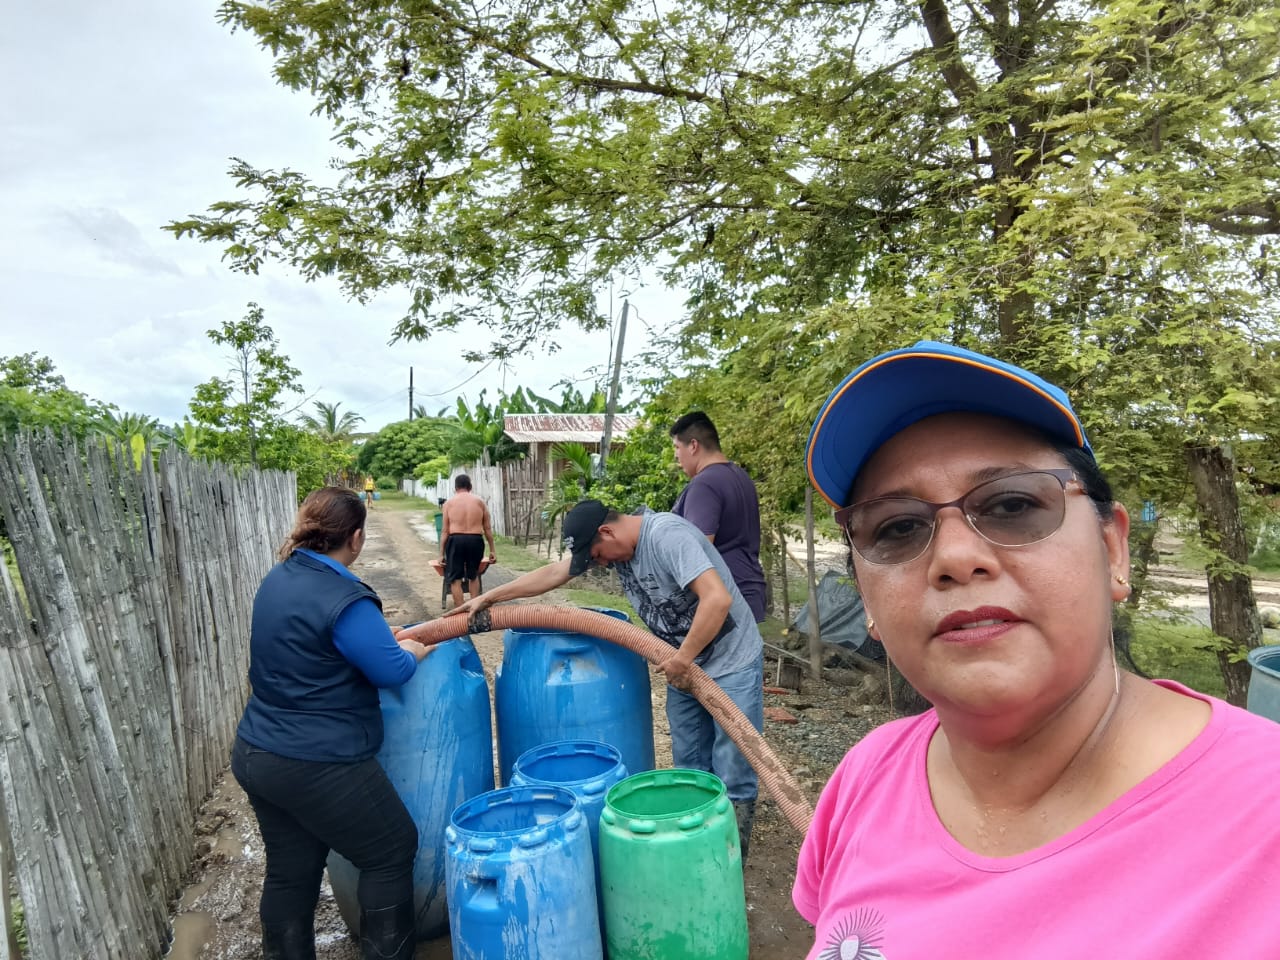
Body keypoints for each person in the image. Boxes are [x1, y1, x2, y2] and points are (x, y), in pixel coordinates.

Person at [793, 341, 1280, 958]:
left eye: (1013, 504)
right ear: (867, 600)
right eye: (898, 527)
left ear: (1113, 551)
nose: (955, 557)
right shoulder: (865, 778)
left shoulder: (1263, 815)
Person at [447, 498, 766, 859]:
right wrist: (491, 597)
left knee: (734, 762)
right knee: (689, 760)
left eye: (597, 555)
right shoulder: (619, 549)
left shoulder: (666, 537)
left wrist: (682, 658)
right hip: (685, 664)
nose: (599, 563)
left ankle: (732, 856)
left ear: (607, 531)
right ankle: (696, 847)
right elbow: (555, 573)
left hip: (729, 661)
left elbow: (717, 600)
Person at [230, 487, 432, 960]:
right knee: (390, 850)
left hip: (257, 752)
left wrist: (376, 640)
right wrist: (409, 651)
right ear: (356, 537)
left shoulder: (280, 576)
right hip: (315, 761)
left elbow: (313, 648)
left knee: (290, 869)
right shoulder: (346, 596)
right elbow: (391, 671)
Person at [670, 411, 768, 622]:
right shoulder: (740, 476)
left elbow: (697, 551)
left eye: (677, 447)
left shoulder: (704, 484)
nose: (676, 456)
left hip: (723, 600)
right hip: (749, 590)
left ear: (693, 446)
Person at [439, 474, 496, 609]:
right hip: (475, 540)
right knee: (473, 575)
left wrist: (441, 554)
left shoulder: (449, 503)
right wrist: (492, 550)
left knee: (455, 579)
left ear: (455, 488)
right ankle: (474, 608)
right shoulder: (480, 502)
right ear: (470, 486)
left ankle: (460, 609)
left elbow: (445, 531)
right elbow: (487, 528)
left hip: (456, 540)